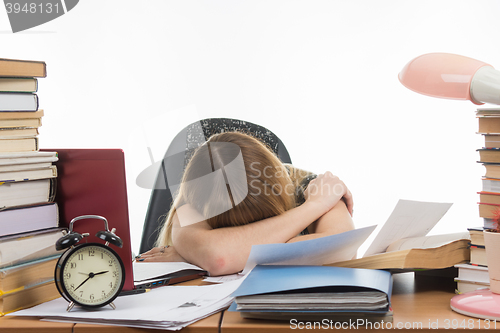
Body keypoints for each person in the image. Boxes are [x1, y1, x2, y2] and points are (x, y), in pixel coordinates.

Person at [138, 131, 354, 276]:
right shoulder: (190, 206)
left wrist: (193, 256)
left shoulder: (316, 188)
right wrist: (313, 208)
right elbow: (221, 258)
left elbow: (342, 248)